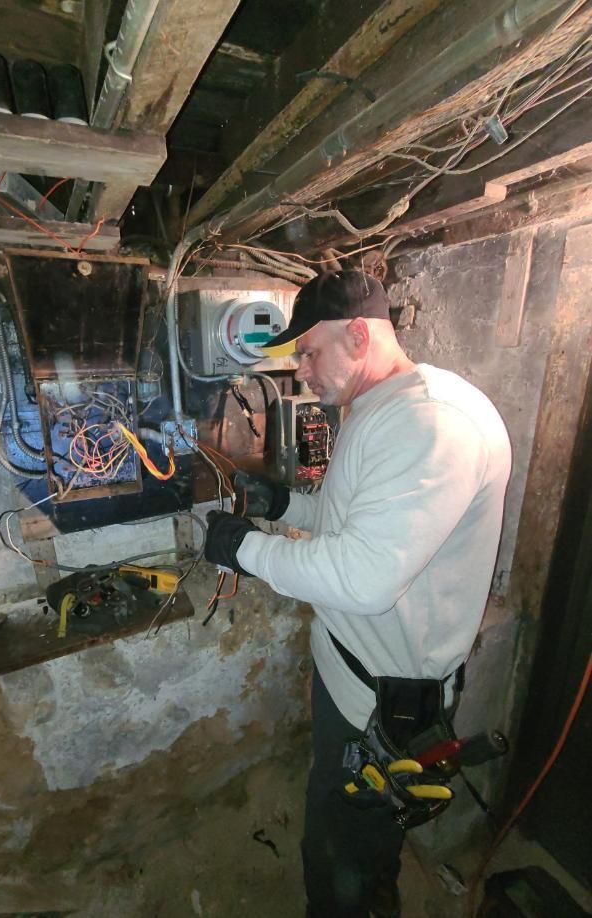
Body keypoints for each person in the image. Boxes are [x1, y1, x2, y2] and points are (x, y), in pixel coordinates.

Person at [204, 270, 512, 918]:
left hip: (380, 704)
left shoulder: (431, 422)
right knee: (356, 833)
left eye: (309, 352)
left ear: (359, 336)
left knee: (341, 856)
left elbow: (363, 578)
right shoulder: (385, 409)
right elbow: (354, 522)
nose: (301, 371)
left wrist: (245, 549)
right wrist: (283, 504)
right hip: (358, 677)